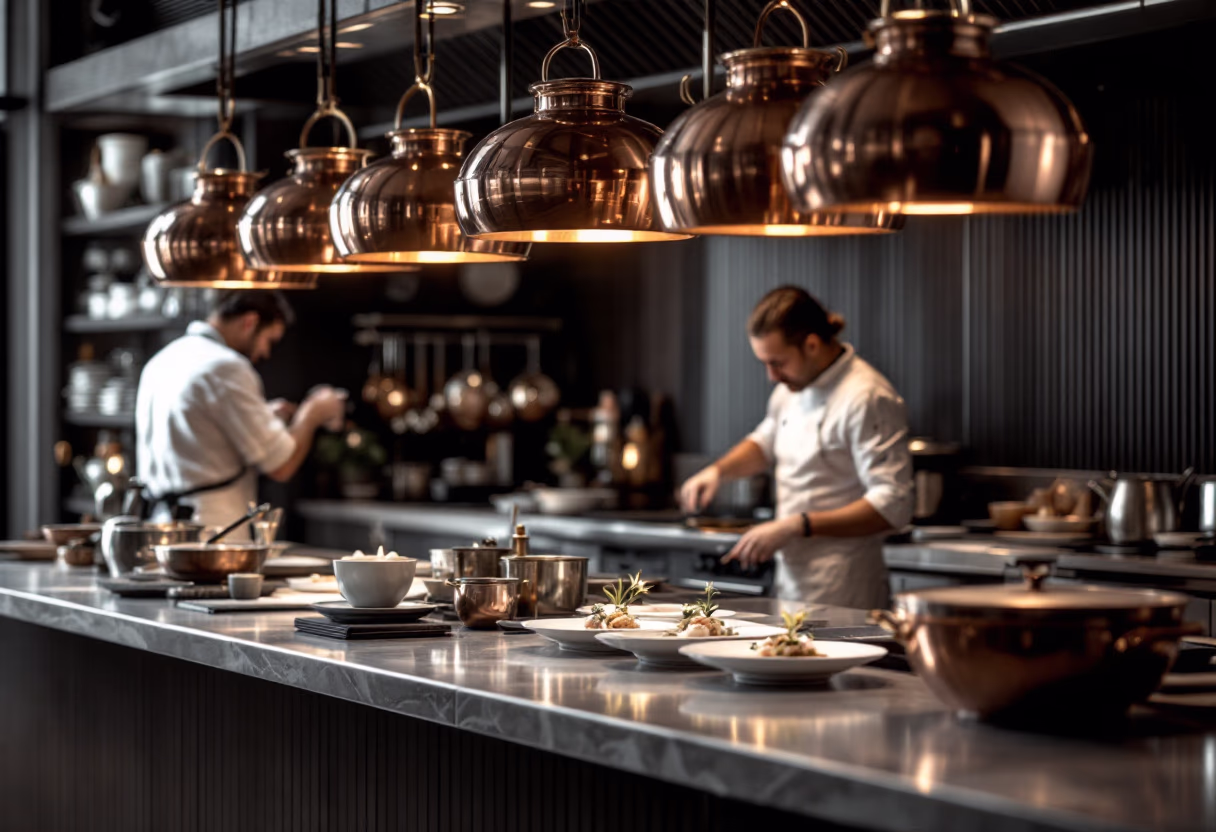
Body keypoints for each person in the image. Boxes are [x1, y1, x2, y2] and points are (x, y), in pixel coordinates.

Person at [679, 286, 913, 608]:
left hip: (845, 585)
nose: (771, 376)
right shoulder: (792, 388)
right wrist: (717, 472)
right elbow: (766, 442)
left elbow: (893, 506)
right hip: (791, 580)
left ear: (812, 344)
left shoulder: (867, 397)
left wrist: (796, 525)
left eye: (777, 363)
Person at [135, 290, 346, 531]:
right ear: (250, 322)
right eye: (269, 340)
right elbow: (281, 465)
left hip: (159, 525)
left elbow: (196, 430)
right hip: (211, 531)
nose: (265, 352)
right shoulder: (226, 366)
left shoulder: (164, 358)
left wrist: (263, 414)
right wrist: (312, 414)